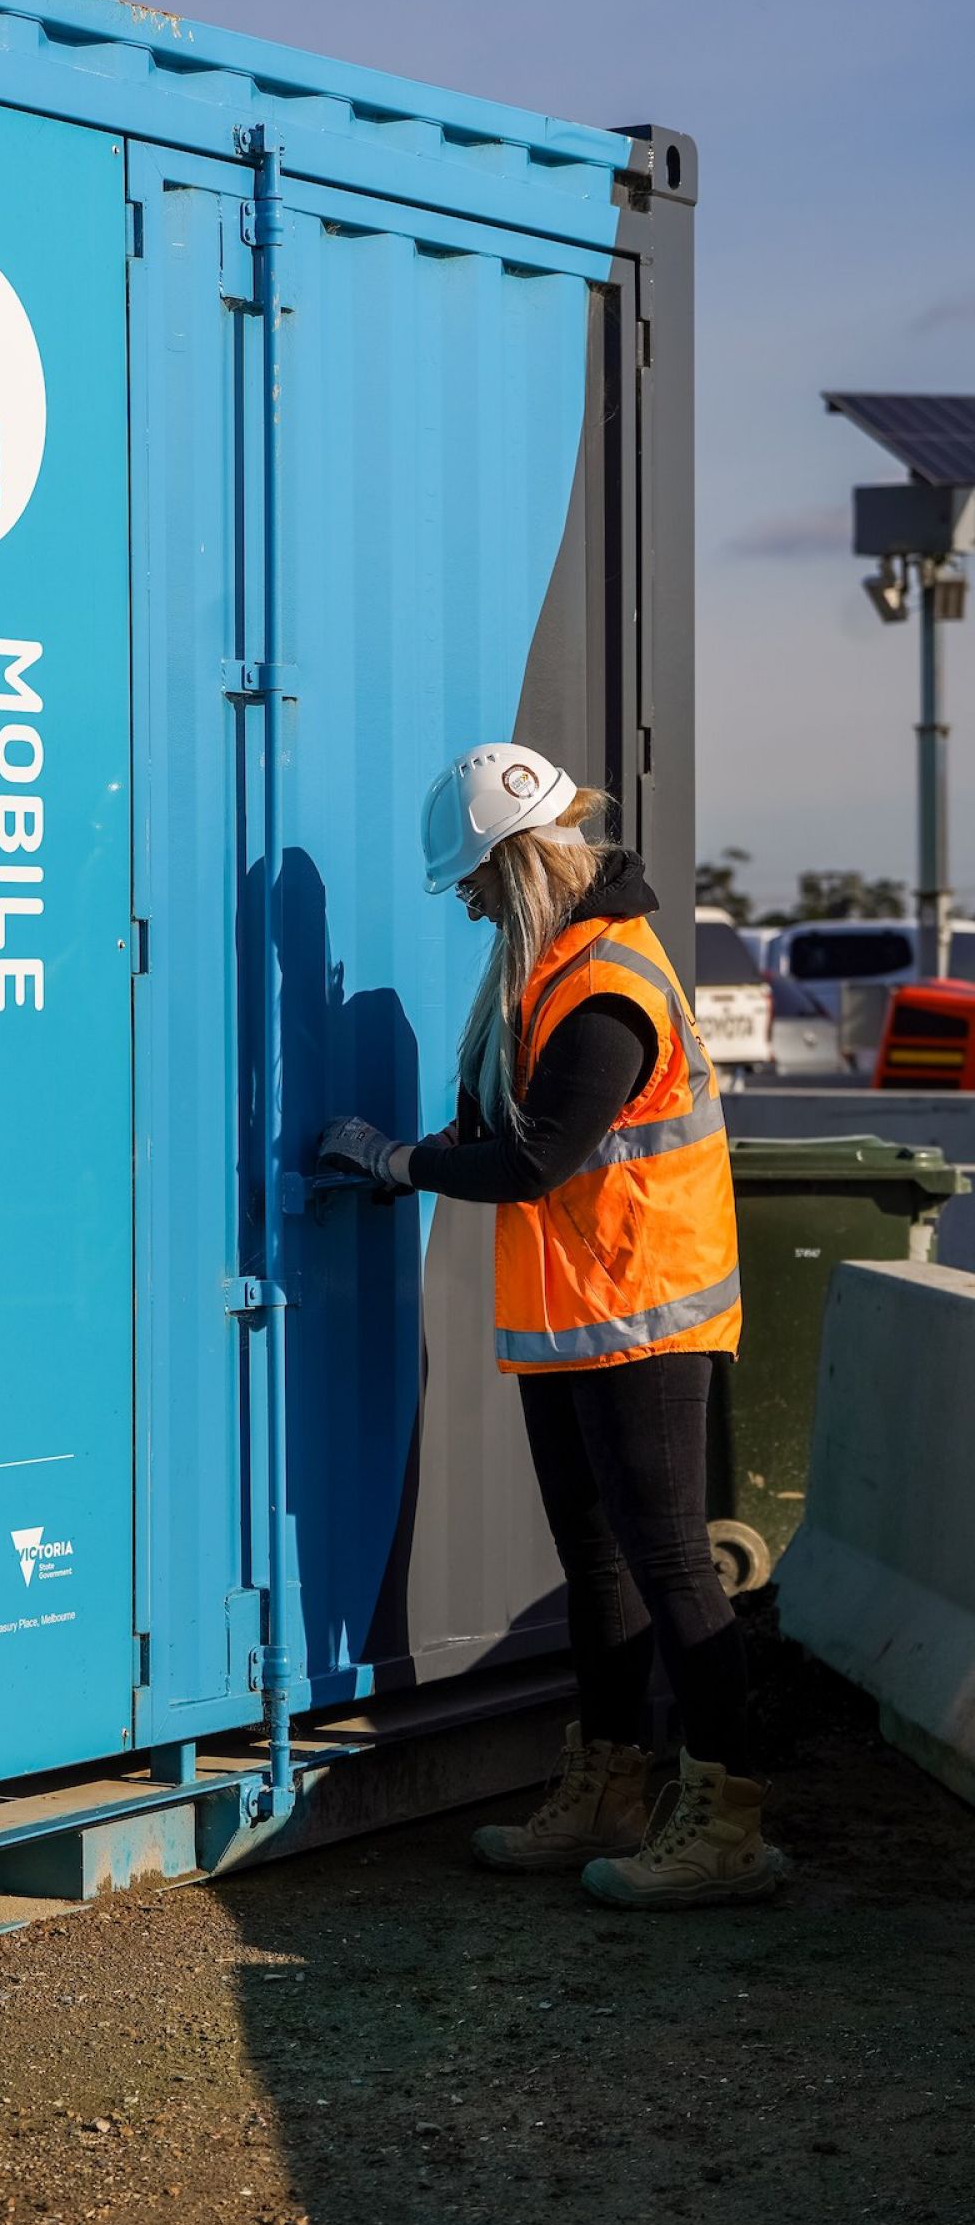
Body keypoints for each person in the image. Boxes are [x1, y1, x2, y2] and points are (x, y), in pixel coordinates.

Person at [319, 740, 777, 1910]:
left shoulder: (607, 986)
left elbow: (533, 1160)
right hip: (576, 1313)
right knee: (598, 1562)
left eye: (474, 881)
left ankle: (725, 1823)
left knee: (670, 1560)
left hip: (644, 1314)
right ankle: (612, 1786)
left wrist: (390, 1159)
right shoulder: (555, 970)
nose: (469, 904)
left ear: (518, 862)